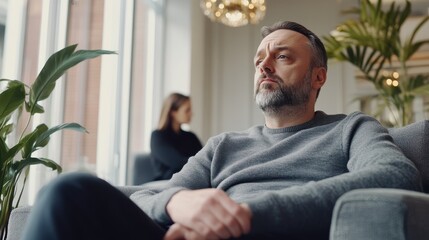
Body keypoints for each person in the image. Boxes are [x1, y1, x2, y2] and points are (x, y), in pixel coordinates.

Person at [21, 20, 421, 240]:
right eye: (259, 59)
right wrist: (177, 204)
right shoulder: (224, 145)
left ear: (318, 77)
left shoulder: (353, 128)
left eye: (282, 57)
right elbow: (151, 193)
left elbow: (396, 175)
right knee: (68, 191)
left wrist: (239, 216)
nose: (264, 66)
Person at [150, 93, 203, 181]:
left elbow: (205, 158)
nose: (191, 113)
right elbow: (176, 163)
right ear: (173, 112)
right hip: (165, 183)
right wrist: (199, 163)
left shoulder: (191, 136)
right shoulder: (158, 136)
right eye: (187, 110)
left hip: (191, 180)